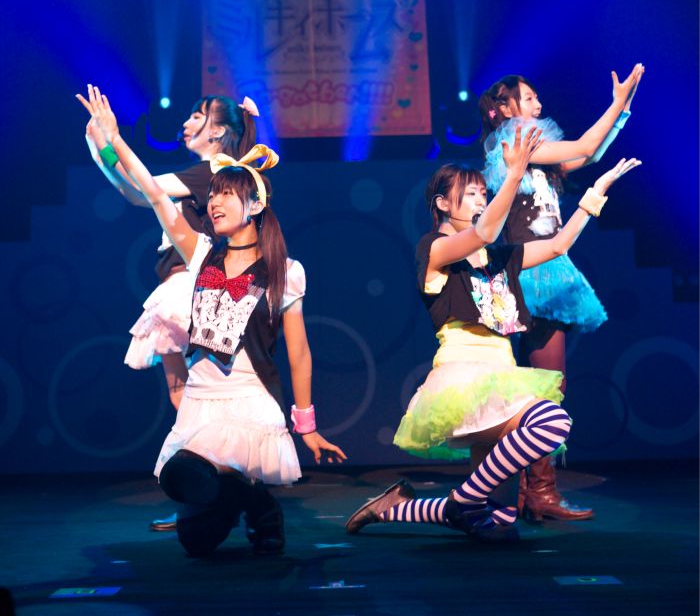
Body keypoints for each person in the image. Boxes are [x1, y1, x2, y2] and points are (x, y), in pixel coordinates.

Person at [79, 84, 346, 557]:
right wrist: (113, 140)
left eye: (226, 195)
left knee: (205, 512)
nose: (214, 202)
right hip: (201, 400)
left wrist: (306, 424)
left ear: (255, 206)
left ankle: (260, 508)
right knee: (194, 535)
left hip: (249, 397)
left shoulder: (284, 271)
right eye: (214, 194)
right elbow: (154, 196)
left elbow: (300, 352)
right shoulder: (201, 256)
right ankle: (248, 501)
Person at [345, 129, 640, 544]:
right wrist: (515, 175)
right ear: (443, 204)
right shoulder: (434, 249)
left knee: (498, 525)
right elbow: (483, 232)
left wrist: (595, 193)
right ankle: (462, 502)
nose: (481, 200)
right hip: (465, 380)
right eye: (471, 194)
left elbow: (557, 246)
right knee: (553, 422)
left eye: (484, 193)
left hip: (504, 377)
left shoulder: (499, 258)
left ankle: (398, 508)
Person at [478, 63, 643, 520]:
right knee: (545, 386)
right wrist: (616, 104)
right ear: (504, 108)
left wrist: (622, 113)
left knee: (543, 386)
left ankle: (533, 491)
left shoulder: (535, 151)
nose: (539, 105)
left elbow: (585, 156)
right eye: (529, 98)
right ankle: (536, 492)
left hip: (541, 269)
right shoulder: (514, 144)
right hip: (529, 273)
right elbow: (585, 147)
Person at [85, 94, 259, 413]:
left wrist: (110, 142)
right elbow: (138, 194)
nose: (186, 122)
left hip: (195, 284)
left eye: (197, 116)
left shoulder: (213, 172)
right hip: (183, 284)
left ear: (218, 131)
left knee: (197, 392)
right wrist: (100, 150)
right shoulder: (204, 174)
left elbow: (145, 189)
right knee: (183, 395)